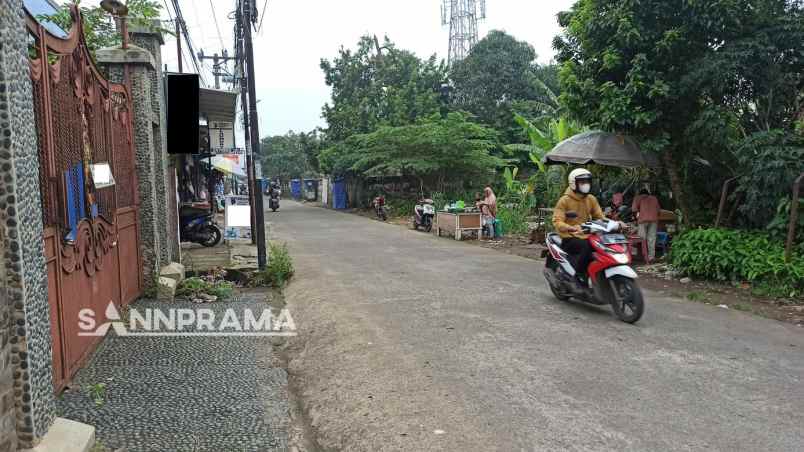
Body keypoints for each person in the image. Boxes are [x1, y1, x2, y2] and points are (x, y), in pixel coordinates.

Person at [552, 168, 607, 282]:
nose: (586, 185)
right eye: (582, 182)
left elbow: (600, 217)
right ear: (573, 183)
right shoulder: (564, 200)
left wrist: (615, 223)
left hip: (587, 234)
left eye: (587, 182)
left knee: (603, 246)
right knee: (586, 246)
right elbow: (557, 221)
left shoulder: (591, 199)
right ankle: (578, 273)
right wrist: (569, 227)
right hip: (569, 237)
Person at [632, 187, 661, 261]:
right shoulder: (654, 198)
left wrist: (635, 218)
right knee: (651, 239)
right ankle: (651, 256)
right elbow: (658, 211)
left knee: (642, 238)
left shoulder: (637, 198)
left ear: (640, 194)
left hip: (642, 220)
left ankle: (643, 256)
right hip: (654, 220)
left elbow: (634, 210)